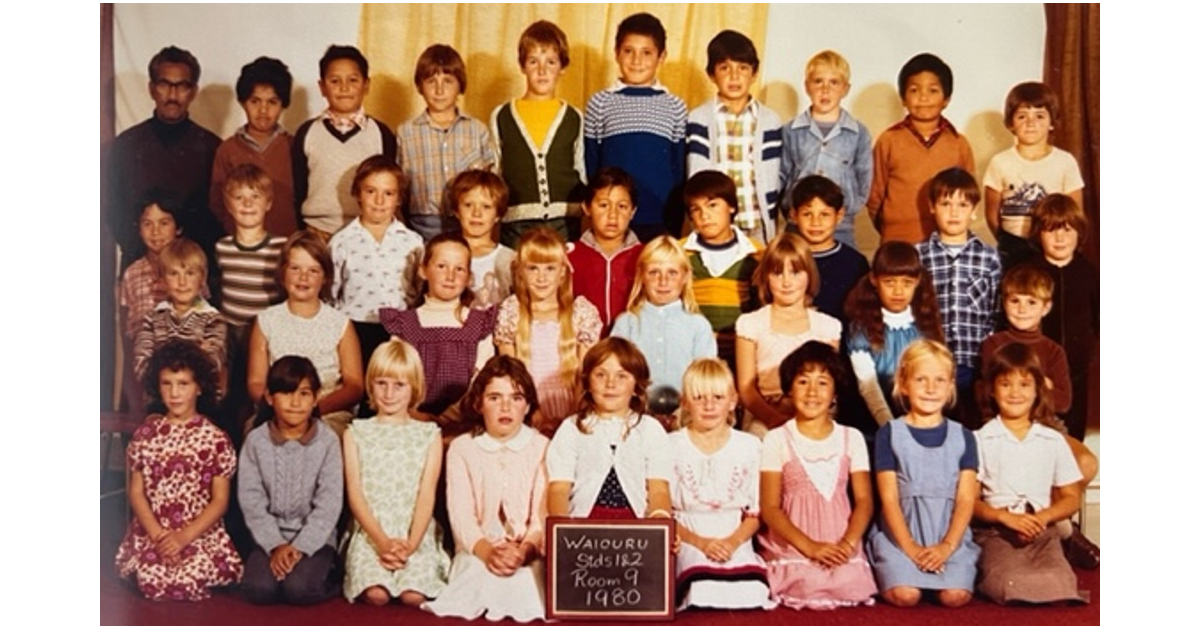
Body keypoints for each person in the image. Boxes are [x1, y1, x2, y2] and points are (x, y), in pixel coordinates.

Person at [115, 340, 242, 601]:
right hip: (155, 530)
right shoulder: (145, 436)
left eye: (183, 384)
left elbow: (220, 501)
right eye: (167, 384)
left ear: (198, 388)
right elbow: (136, 493)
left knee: (189, 580)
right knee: (153, 582)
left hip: (197, 531)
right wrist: (159, 536)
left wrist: (184, 537)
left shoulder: (215, 439)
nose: (174, 393)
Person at [424, 356, 550, 622]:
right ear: (479, 403)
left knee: (527, 588)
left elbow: (541, 517)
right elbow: (461, 517)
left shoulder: (542, 447)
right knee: (477, 582)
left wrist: (523, 551)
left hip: (526, 552)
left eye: (516, 398)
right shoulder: (462, 448)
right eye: (494, 398)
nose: (506, 407)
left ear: (527, 405)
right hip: (478, 550)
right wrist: (488, 552)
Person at [758, 342, 876, 610]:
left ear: (835, 391)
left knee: (847, 583)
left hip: (840, 539)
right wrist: (809, 547)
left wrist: (847, 544)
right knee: (805, 583)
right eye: (802, 382)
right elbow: (770, 508)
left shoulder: (851, 438)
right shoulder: (777, 439)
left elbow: (864, 500)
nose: (812, 392)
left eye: (823, 382)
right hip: (794, 542)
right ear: (789, 389)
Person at [867, 340, 980, 608]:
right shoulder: (890, 434)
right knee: (906, 595)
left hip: (948, 535)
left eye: (940, 380)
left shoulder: (964, 436)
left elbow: (966, 499)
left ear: (951, 385)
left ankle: (950, 564)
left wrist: (946, 547)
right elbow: (889, 500)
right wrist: (911, 549)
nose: (931, 389)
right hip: (901, 534)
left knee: (955, 597)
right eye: (921, 379)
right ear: (904, 384)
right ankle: (901, 567)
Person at [972, 343, 1087, 604]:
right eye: (1005, 384)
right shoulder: (980, 439)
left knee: (1061, 582)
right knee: (1007, 582)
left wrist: (1043, 517)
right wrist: (1004, 518)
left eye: (1024, 385)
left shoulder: (1052, 440)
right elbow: (970, 501)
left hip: (1041, 530)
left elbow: (1071, 497)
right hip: (997, 532)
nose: (1015, 393)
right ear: (992, 390)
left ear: (1038, 390)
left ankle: (1057, 560)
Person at [343, 340, 450, 606]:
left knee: (412, 595)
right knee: (377, 594)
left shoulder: (428, 435)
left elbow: (427, 495)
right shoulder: (355, 432)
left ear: (414, 387)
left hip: (414, 530)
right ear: (370, 385)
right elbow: (355, 494)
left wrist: (411, 545)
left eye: (399, 385)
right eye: (381, 383)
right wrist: (381, 542)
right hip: (371, 531)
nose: (389, 393)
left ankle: (418, 562)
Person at [238, 356, 343, 605]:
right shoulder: (256, 441)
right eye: (286, 393)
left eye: (304, 393)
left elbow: (329, 504)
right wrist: (275, 545)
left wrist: (301, 547)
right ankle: (280, 563)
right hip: (270, 537)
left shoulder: (328, 442)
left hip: (316, 539)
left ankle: (332, 574)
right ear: (269, 397)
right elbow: (251, 500)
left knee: (299, 589)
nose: (295, 402)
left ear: (316, 397)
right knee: (259, 589)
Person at [671, 358, 773, 610]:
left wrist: (732, 542)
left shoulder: (750, 446)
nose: (709, 406)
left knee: (752, 591)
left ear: (733, 401)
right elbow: (662, 510)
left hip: (734, 536)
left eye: (718, 397)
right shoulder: (671, 445)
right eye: (699, 398)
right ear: (685, 402)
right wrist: (701, 543)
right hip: (688, 537)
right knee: (701, 589)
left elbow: (756, 513)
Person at [107, 46, 222, 270]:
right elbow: (113, 209)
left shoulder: (212, 147)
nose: (172, 95)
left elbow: (218, 216)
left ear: (194, 91)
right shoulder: (126, 145)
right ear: (151, 89)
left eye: (182, 86)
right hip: (141, 268)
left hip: (194, 274)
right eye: (164, 85)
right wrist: (143, 255)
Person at [247, 232, 364, 436]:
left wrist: (314, 409)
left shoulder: (340, 324)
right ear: (283, 273)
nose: (304, 277)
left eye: (313, 270)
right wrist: (279, 408)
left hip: (326, 411)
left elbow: (354, 385)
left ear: (325, 277)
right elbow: (256, 381)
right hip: (277, 410)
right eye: (295, 268)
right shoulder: (267, 320)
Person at [584, 12, 687, 241]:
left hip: (659, 216)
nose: (636, 61)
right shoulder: (600, 103)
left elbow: (679, 169)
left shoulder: (675, 106)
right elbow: (592, 165)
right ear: (616, 54)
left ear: (661, 57)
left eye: (647, 53)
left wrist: (675, 220)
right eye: (628, 51)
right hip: (611, 219)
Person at [546, 338, 672, 519]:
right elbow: (559, 488)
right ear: (588, 383)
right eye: (601, 375)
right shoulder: (571, 429)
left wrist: (660, 523)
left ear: (637, 386)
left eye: (622, 376)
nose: (610, 384)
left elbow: (659, 489)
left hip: (637, 527)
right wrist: (561, 526)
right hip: (583, 526)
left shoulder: (650, 430)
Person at [329, 155, 424, 392]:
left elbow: (417, 289)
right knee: (359, 392)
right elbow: (331, 293)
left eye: (388, 193)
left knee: (392, 390)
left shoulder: (412, 242)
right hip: (355, 329)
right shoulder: (341, 242)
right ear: (357, 193)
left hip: (399, 330)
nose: (379, 200)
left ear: (399, 198)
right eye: (371, 191)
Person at [496, 227, 602, 435]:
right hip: (526, 408)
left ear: (562, 271)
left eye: (550, 268)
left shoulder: (581, 312)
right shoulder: (512, 311)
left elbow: (586, 373)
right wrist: (531, 411)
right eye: (533, 268)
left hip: (572, 408)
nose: (541, 277)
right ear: (521, 272)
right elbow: (511, 373)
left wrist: (573, 416)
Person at [916, 167, 1000, 428]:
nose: (954, 212)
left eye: (962, 205)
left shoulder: (989, 257)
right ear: (932, 207)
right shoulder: (918, 256)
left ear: (974, 210)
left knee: (972, 431)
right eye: (945, 203)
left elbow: (996, 312)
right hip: (930, 364)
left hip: (972, 363)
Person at [380, 233, 496, 420]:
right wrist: (413, 415)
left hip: (464, 420)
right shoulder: (404, 324)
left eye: (459, 269)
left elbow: (482, 380)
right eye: (441, 266)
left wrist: (449, 417)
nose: (450, 276)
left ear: (469, 278)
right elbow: (394, 378)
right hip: (411, 419)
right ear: (423, 271)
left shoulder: (478, 323)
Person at [491, 20, 587, 246]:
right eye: (534, 62)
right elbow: (496, 170)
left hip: (564, 222)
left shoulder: (574, 116)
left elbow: (581, 169)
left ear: (562, 67)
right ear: (522, 66)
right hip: (515, 224)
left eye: (551, 62)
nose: (542, 71)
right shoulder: (502, 115)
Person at [736, 233, 841, 437]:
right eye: (777, 273)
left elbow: (828, 385)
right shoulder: (751, 324)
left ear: (809, 274)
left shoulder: (826, 327)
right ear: (766, 277)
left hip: (814, 412)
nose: (786, 282)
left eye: (795, 272)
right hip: (766, 416)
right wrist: (775, 420)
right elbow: (747, 390)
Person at [685, 29, 784, 244]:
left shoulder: (770, 120)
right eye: (724, 68)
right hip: (716, 226)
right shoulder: (699, 118)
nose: (734, 76)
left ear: (754, 73)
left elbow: (777, 175)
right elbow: (697, 174)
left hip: (757, 221)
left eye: (743, 68)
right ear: (712, 74)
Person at [866, 53, 974, 244]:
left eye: (933, 91)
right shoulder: (889, 140)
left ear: (946, 99)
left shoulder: (958, 144)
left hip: (945, 240)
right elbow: (875, 196)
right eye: (914, 90)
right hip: (897, 239)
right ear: (903, 99)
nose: (923, 97)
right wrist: (891, 227)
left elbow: (968, 195)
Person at [293, 45, 397, 241]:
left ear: (366, 85)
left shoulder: (381, 134)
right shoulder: (307, 133)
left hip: (366, 233)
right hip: (316, 233)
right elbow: (297, 191)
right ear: (322, 87)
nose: (344, 88)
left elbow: (392, 188)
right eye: (334, 81)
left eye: (353, 80)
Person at [610, 235, 716, 420]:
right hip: (635, 416)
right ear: (642, 275)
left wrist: (684, 413)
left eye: (672, 273)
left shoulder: (698, 326)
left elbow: (706, 381)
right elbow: (615, 374)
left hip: (685, 417)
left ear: (685, 277)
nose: (663, 281)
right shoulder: (626, 324)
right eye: (654, 273)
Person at [397, 44, 495, 241]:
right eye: (431, 81)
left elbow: (492, 186)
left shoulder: (477, 130)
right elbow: (400, 189)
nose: (439, 90)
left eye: (448, 81)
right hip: (422, 226)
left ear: (460, 85)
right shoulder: (406, 133)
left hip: (469, 225)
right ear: (419, 86)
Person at [214, 164, 288, 423]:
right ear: (228, 204)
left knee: (259, 395)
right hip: (230, 332)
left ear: (268, 203)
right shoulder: (222, 247)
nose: (247, 204)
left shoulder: (280, 247)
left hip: (264, 333)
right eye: (239, 197)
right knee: (228, 396)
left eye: (255, 196)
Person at [983, 82, 1084, 268]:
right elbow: (991, 213)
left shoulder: (1065, 162)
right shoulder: (1000, 162)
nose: (1031, 123)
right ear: (1010, 123)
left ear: (1052, 122)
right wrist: (1007, 241)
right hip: (1013, 248)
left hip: (1051, 248)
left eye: (1039, 116)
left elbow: (1074, 213)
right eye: (1022, 116)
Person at [844, 242, 944, 428]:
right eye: (889, 282)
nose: (898, 291)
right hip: (878, 421)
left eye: (907, 283)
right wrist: (891, 429)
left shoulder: (925, 325)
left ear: (918, 281)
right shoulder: (861, 329)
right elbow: (869, 387)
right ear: (874, 280)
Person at [780, 50, 872, 248]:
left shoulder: (858, 133)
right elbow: (782, 175)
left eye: (834, 83)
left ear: (845, 89)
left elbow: (864, 180)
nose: (825, 90)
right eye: (818, 81)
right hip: (797, 226)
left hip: (841, 228)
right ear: (807, 86)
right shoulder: (790, 131)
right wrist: (790, 209)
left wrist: (846, 212)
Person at [1029, 194, 1098, 442]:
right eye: (1051, 230)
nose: (1060, 238)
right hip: (1035, 374)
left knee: (1072, 438)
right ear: (1038, 233)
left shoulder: (1089, 273)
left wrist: (1087, 353)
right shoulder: (1028, 273)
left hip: (1076, 372)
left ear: (1079, 233)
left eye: (1067, 230)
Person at [683, 170, 762, 371]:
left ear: (732, 207)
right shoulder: (679, 252)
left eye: (712, 205)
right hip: (692, 353)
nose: (705, 216)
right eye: (696, 209)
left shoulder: (757, 253)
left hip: (742, 354)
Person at [210, 56, 298, 237]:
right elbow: (217, 203)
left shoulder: (295, 146)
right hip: (242, 247)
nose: (263, 110)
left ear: (284, 104)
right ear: (243, 102)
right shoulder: (227, 150)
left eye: (272, 102)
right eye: (255, 101)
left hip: (287, 246)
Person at [132, 238, 227, 399]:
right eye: (174, 274)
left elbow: (212, 365)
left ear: (202, 278)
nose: (182, 282)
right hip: (159, 400)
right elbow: (141, 365)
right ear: (162, 279)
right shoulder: (151, 319)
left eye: (190, 273)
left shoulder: (213, 320)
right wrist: (196, 352)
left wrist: (162, 355)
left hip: (201, 402)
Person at [977, 264, 1072, 418]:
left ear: (1046, 307)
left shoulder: (1054, 351)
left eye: (1032, 302)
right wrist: (1043, 384)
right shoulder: (993, 344)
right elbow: (987, 394)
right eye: (1015, 301)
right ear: (1004, 304)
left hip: (1043, 424)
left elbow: (1063, 403)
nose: (1022, 309)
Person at [119, 196, 181, 412]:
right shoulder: (132, 273)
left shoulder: (189, 270)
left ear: (178, 228)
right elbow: (127, 333)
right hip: (145, 370)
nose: (156, 232)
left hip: (180, 373)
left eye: (164, 223)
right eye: (148, 224)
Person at [567, 167, 643, 333]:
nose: (612, 215)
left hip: (631, 348)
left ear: (633, 211)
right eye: (603, 205)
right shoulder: (569, 256)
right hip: (583, 349)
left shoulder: (646, 256)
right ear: (587, 208)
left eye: (622, 206)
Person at [788, 175, 869, 323]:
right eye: (807, 214)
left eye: (824, 215)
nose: (815, 223)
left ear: (839, 215)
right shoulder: (785, 259)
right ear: (794, 215)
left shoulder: (855, 263)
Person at [447, 170, 515, 308]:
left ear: (498, 215)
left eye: (486, 207)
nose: (476, 213)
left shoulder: (509, 259)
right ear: (456, 211)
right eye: (468, 205)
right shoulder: (444, 253)